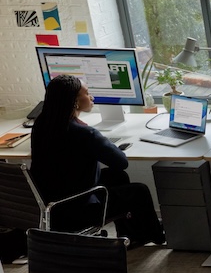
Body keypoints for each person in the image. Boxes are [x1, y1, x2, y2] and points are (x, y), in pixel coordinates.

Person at [30, 74, 164, 247]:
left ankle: (131, 234)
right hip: (79, 208)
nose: (92, 97)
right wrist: (104, 142)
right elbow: (121, 162)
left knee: (117, 176)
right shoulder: (84, 133)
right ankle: (156, 235)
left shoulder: (41, 124)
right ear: (75, 102)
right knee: (139, 191)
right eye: (87, 93)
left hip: (52, 204)